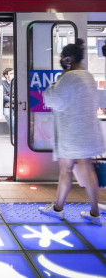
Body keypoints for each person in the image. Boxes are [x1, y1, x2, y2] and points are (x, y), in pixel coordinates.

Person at [39, 39, 105, 225]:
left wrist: (56, 82)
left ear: (68, 59)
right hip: (88, 132)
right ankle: (94, 212)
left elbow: (52, 100)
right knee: (88, 170)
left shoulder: (68, 77)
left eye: (62, 58)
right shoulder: (88, 76)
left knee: (65, 170)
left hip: (71, 134)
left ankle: (58, 208)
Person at [2, 68, 14, 133]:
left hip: (18, 104)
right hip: (8, 104)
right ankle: (15, 131)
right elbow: (4, 96)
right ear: (6, 75)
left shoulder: (17, 83)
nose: (13, 75)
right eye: (11, 73)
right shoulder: (3, 84)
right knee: (7, 114)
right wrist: (13, 100)